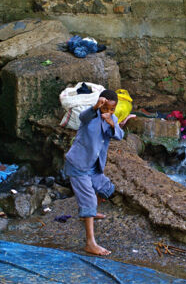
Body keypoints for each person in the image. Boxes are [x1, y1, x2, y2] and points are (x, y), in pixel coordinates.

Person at [64, 89, 124, 256]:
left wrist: (112, 122)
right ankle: (90, 243)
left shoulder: (113, 118)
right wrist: (96, 108)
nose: (109, 112)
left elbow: (119, 135)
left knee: (107, 188)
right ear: (101, 104)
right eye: (106, 109)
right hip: (78, 164)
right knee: (88, 199)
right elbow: (82, 117)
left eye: (112, 109)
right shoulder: (90, 115)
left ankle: (88, 213)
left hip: (94, 166)